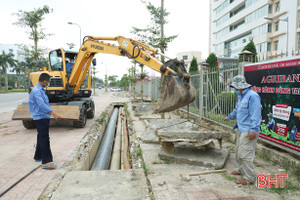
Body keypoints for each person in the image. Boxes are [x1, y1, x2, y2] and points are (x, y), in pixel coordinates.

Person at [223, 75, 261, 185]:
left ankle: (249, 178)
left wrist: (254, 130)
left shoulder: (252, 96)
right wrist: (229, 117)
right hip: (240, 128)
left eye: (235, 87)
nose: (234, 89)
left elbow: (256, 114)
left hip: (249, 130)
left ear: (240, 86)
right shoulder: (241, 96)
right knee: (238, 153)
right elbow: (237, 110)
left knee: (245, 154)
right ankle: (241, 170)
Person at [29, 73, 61, 169]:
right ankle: (46, 161)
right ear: (44, 82)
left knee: (41, 136)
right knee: (44, 138)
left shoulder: (41, 90)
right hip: (40, 117)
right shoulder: (36, 91)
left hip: (43, 116)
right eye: (48, 82)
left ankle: (38, 156)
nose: (48, 84)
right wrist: (54, 113)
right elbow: (42, 105)